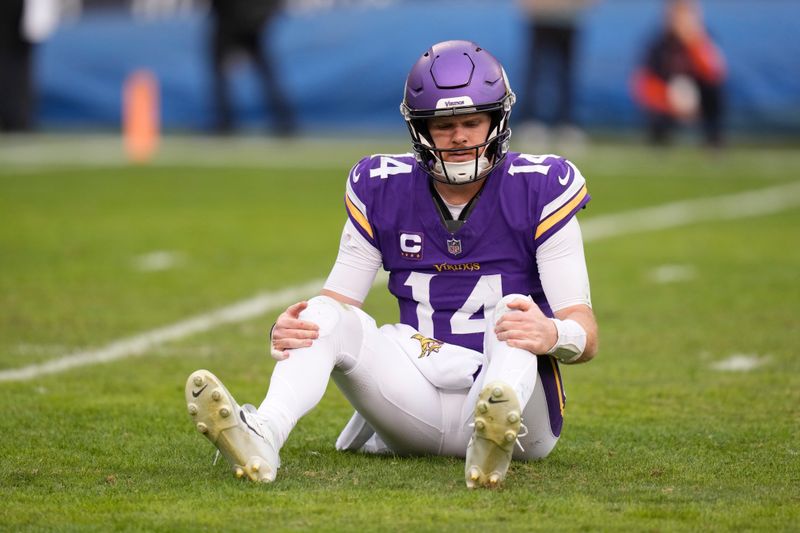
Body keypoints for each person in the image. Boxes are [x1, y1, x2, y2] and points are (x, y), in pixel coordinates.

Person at [185, 40, 598, 489]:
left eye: (472, 122)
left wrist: (552, 332)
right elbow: (338, 306)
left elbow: (586, 331)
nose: (459, 137)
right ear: (420, 129)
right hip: (417, 393)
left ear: (497, 121)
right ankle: (263, 432)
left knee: (515, 313)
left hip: (523, 416)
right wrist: (293, 331)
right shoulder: (382, 186)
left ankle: (491, 436)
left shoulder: (541, 187)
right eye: (444, 125)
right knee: (323, 313)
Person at [631, 0, 726, 147]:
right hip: (667, 98)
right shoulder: (659, 44)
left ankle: (714, 142)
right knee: (655, 110)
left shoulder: (702, 40)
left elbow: (714, 73)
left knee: (716, 93)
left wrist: (695, 44)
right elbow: (644, 81)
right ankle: (659, 143)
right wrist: (668, 100)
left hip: (699, 96)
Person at [515, 0, 597, 147]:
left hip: (570, 17)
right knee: (536, 71)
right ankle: (530, 121)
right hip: (540, 15)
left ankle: (566, 123)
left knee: (566, 74)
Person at [208, 0, 295, 135]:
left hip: (245, 23)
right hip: (237, 21)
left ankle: (285, 122)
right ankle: (225, 122)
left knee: (266, 75)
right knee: (222, 76)